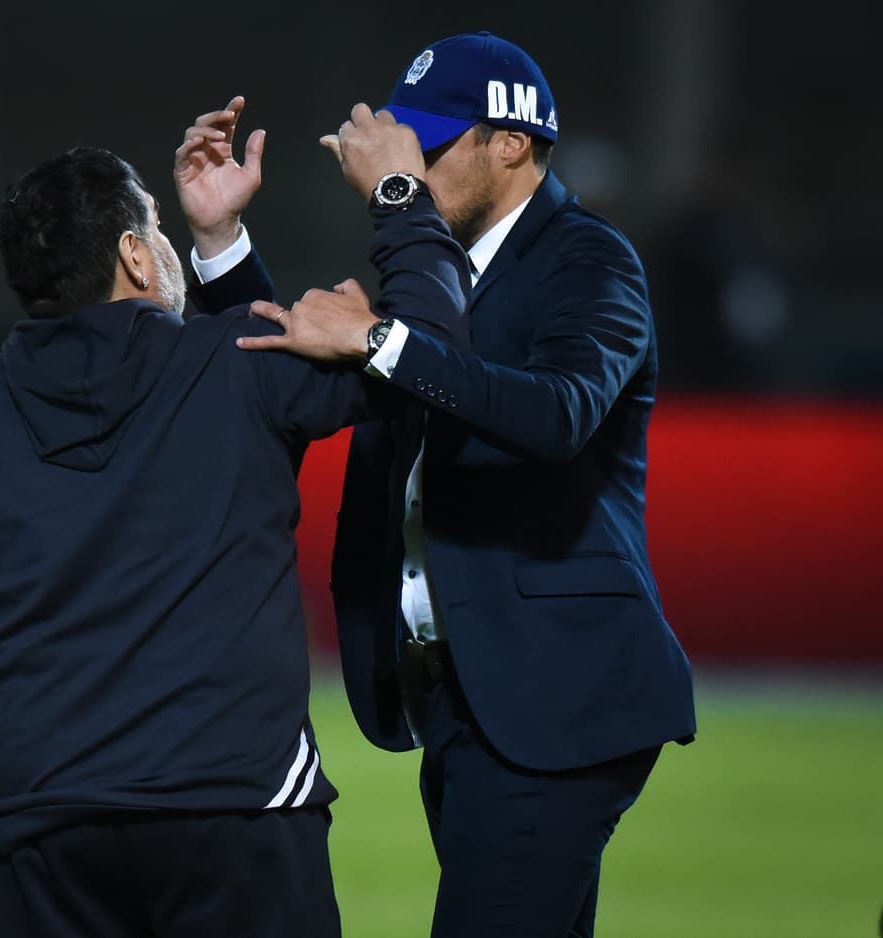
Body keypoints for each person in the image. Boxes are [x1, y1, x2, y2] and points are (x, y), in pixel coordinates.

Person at [0, 141, 468, 936]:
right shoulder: (237, 368)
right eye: (152, 221)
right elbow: (432, 352)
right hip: (238, 818)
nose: (160, 234)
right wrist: (398, 193)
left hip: (30, 832)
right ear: (133, 255)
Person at [181, 31, 696, 938]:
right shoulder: (440, 273)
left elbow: (557, 415)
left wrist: (384, 338)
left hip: (555, 698)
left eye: (431, 143)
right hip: (471, 696)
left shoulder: (589, 260)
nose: (410, 165)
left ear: (513, 142)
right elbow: (302, 367)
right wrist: (223, 242)